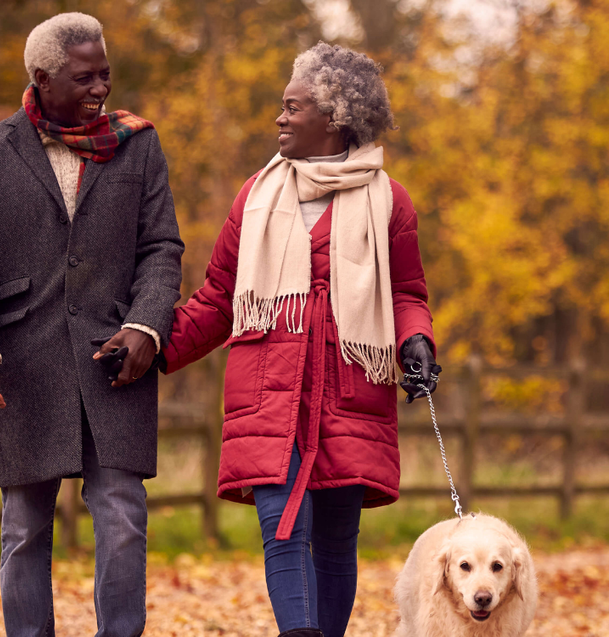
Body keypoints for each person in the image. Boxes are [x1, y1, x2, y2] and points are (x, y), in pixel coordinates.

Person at [161, 42, 438, 637]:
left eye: (293, 107)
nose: (280, 118)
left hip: (350, 391)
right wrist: (157, 349)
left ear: (335, 118)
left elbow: (408, 294)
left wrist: (416, 342)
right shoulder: (254, 196)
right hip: (270, 392)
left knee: (337, 541)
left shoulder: (390, 201)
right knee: (282, 530)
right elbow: (217, 298)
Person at [0, 12, 183, 637]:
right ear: (43, 79)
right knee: (23, 529)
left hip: (116, 358)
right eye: (84, 78)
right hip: (23, 366)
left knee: (124, 517)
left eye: (105, 73)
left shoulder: (140, 143)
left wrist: (147, 326)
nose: (101, 88)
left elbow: (162, 247)